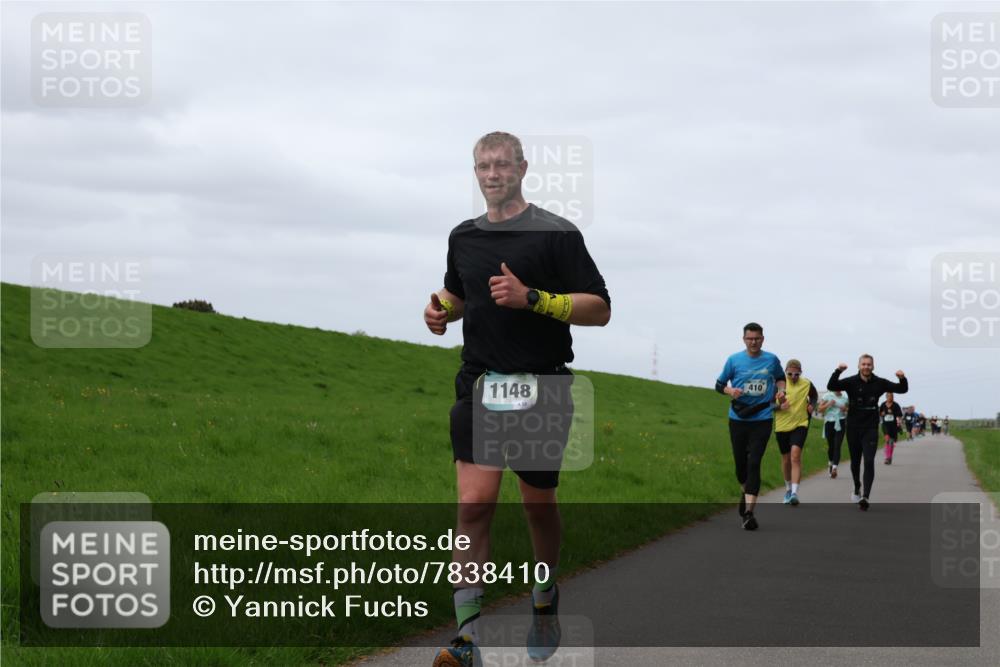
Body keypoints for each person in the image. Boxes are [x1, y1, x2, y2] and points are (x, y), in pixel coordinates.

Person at [425, 131, 611, 667]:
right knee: (473, 505)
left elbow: (598, 307)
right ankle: (466, 640)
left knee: (537, 506)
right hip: (479, 385)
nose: (491, 174)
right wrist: (439, 310)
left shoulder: (556, 234)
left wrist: (534, 299)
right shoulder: (463, 237)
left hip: (542, 387)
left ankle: (544, 596)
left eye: (501, 164)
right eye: (482, 165)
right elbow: (459, 294)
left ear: (523, 168)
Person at [716, 322, 786, 530]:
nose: (753, 342)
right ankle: (745, 492)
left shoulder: (771, 359)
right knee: (741, 467)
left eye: (756, 338)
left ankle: (748, 513)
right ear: (744, 339)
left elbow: (780, 378)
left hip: (762, 418)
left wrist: (782, 391)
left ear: (762, 339)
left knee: (754, 462)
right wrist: (731, 391)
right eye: (749, 338)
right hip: (738, 418)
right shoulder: (734, 360)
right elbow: (719, 385)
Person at [827, 355, 908, 510]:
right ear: (859, 366)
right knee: (855, 461)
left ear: (873, 366)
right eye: (863, 364)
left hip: (870, 427)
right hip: (853, 426)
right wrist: (838, 371)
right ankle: (857, 486)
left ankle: (866, 496)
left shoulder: (880, 383)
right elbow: (831, 385)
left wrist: (902, 378)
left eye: (869, 364)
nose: (866, 367)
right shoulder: (851, 381)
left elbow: (902, 389)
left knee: (869, 460)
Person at [774, 359, 818, 504]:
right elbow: (766, 405)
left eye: (796, 374)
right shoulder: (778, 384)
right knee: (786, 460)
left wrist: (811, 405)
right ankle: (787, 489)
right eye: (790, 374)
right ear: (785, 372)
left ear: (801, 373)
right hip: (782, 426)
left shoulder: (806, 383)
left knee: (795, 456)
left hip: (801, 424)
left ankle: (794, 493)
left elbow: (814, 396)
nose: (793, 377)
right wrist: (779, 407)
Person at [817, 388, 849, 478]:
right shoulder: (827, 396)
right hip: (829, 423)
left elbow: (850, 410)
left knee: (837, 445)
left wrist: (845, 409)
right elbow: (819, 409)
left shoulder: (845, 398)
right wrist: (828, 404)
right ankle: (830, 463)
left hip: (841, 422)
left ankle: (835, 468)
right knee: (831, 446)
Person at [879, 393, 903, 464]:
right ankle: (887, 457)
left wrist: (893, 412)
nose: (890, 397)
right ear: (886, 397)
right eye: (888, 396)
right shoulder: (883, 404)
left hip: (893, 426)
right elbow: (879, 413)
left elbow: (900, 415)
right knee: (887, 439)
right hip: (885, 425)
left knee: (891, 442)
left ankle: (889, 457)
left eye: (891, 396)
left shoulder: (896, 405)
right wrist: (882, 413)